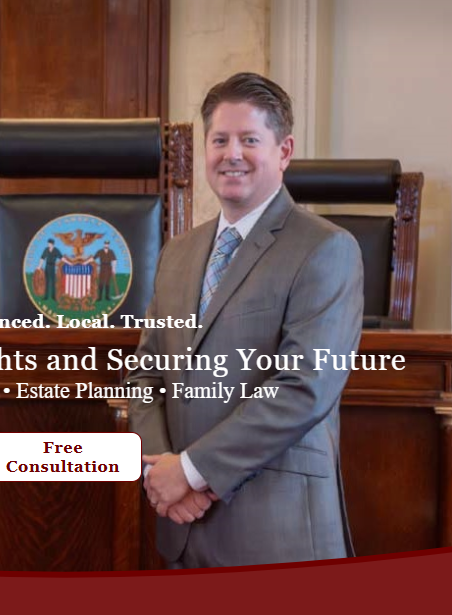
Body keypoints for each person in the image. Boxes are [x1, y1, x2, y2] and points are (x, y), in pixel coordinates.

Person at [128, 72, 363, 568]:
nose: (231, 153)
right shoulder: (178, 252)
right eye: (219, 140)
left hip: (273, 531)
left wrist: (191, 471)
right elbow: (145, 375)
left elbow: (304, 387)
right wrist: (164, 472)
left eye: (249, 140)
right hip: (181, 526)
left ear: (284, 151)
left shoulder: (325, 248)